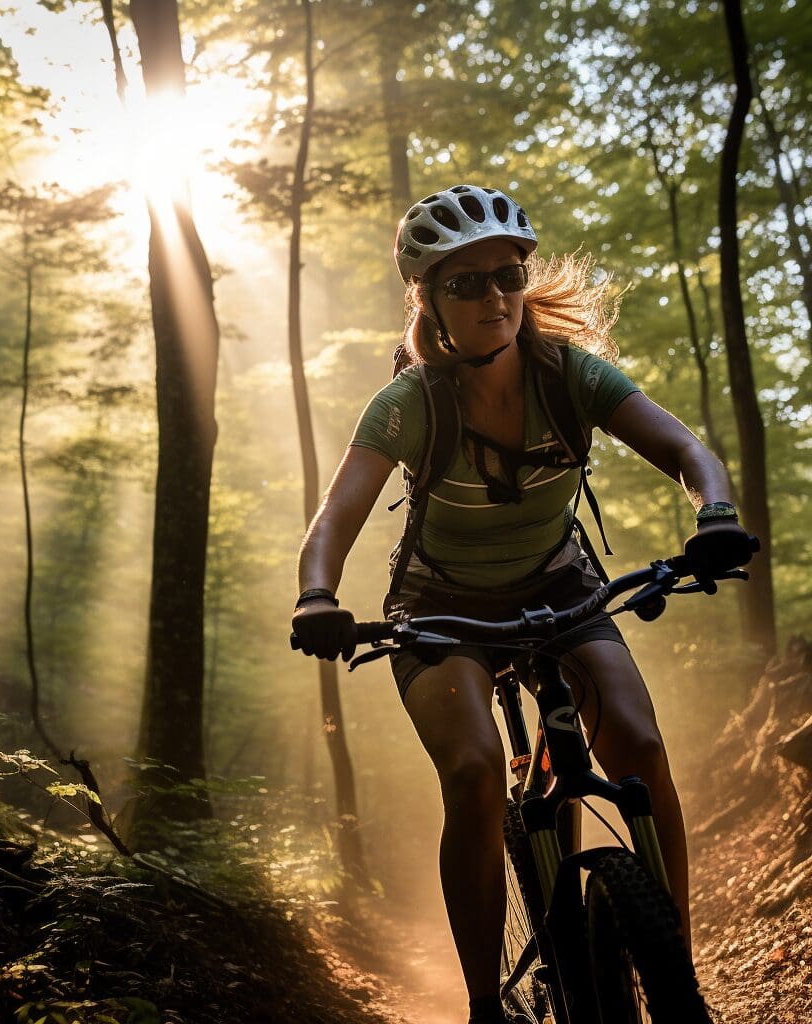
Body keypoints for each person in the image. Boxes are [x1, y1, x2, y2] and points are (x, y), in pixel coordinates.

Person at [291, 184, 751, 1024]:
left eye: (505, 275)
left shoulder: (570, 375)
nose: (492, 297)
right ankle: (482, 1007)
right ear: (428, 299)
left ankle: (672, 968)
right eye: (464, 284)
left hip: (559, 587)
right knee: (471, 771)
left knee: (641, 750)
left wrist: (714, 515)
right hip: (439, 606)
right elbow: (333, 521)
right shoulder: (409, 404)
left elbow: (686, 448)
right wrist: (317, 595)